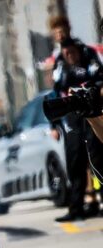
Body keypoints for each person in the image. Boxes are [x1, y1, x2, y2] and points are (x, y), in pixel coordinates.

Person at [52, 38, 103, 221]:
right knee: (75, 162)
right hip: (72, 118)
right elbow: (56, 92)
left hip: (92, 111)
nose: (70, 56)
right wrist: (54, 125)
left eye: (72, 52)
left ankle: (99, 202)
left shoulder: (90, 61)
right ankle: (76, 208)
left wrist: (90, 94)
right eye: (66, 54)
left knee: (96, 156)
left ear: (78, 51)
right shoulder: (61, 68)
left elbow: (99, 81)